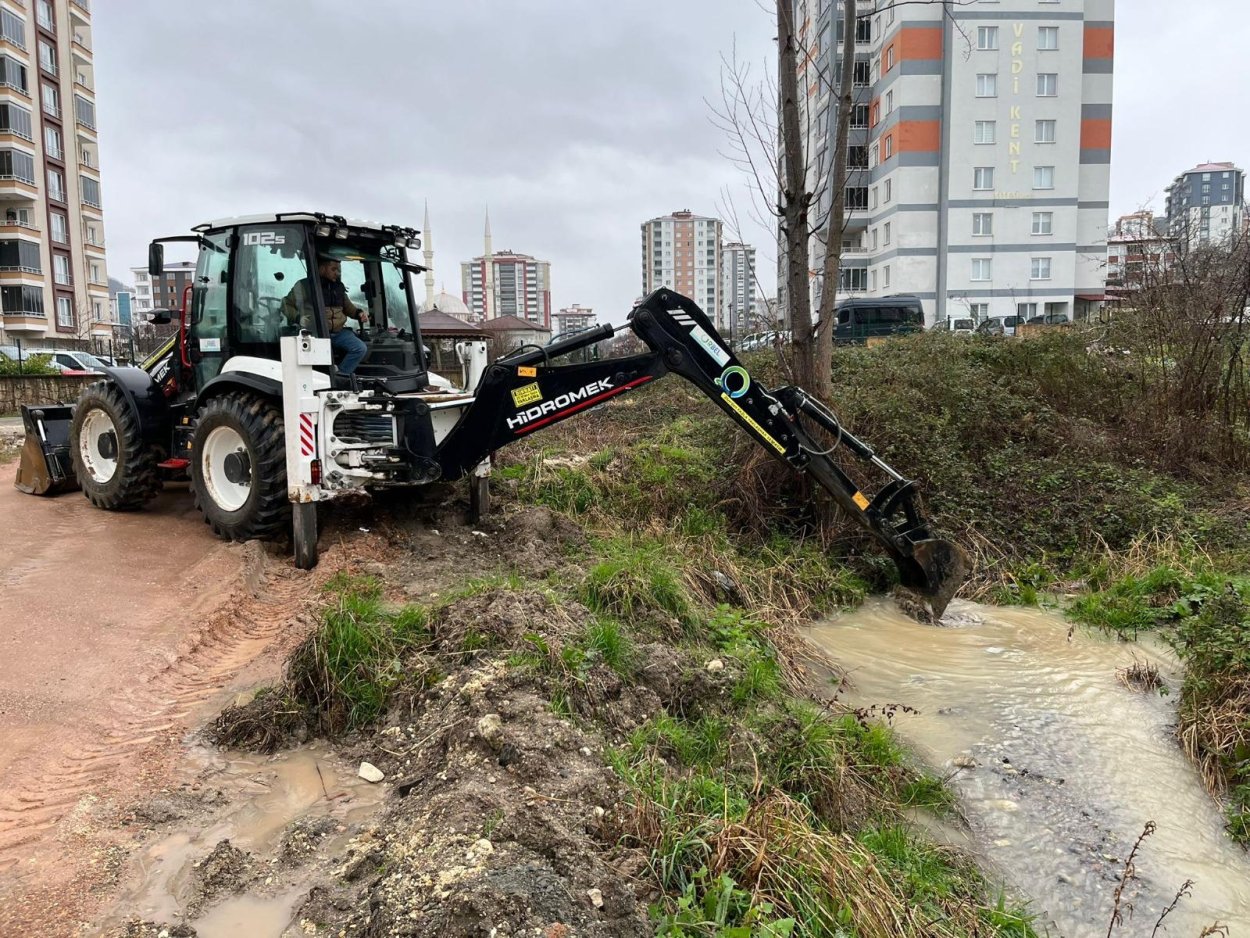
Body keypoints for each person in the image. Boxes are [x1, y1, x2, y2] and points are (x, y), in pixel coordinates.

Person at [282, 255, 370, 375]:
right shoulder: (304, 286)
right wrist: (298, 318)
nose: (337, 273)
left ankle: (341, 375)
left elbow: (349, 308)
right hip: (316, 333)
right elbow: (286, 304)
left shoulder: (338, 287)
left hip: (338, 333)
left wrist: (359, 313)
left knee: (360, 348)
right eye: (333, 269)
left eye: (338, 270)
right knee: (318, 357)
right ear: (322, 268)